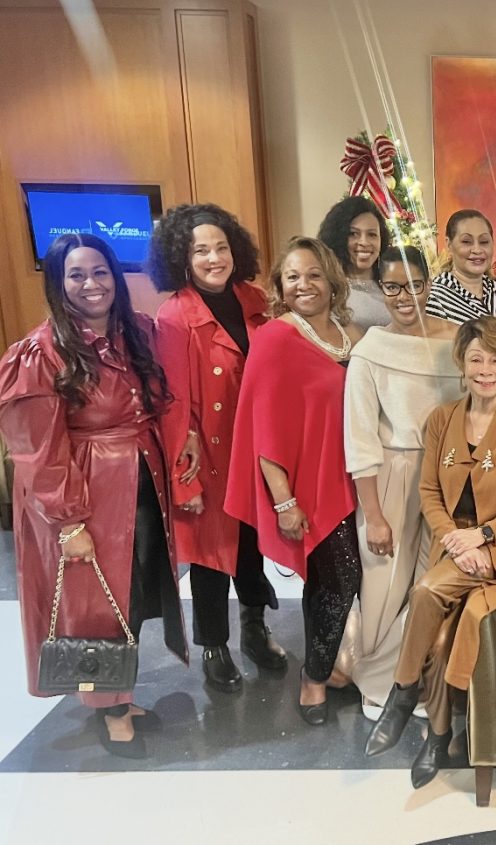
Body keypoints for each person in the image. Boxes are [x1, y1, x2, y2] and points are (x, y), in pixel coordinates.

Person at [0, 234, 186, 758]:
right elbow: (36, 450)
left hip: (138, 481)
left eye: (100, 272)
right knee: (95, 604)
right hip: (86, 489)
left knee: (130, 593)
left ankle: (120, 695)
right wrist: (69, 522)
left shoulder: (135, 333)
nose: (91, 284)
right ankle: (110, 710)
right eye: (76, 275)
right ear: (58, 283)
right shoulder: (41, 352)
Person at [364, 317, 496, 789]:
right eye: (476, 359)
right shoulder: (442, 419)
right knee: (441, 638)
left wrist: (481, 536)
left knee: (426, 592)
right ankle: (438, 735)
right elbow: (429, 492)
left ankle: (401, 693)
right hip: (455, 546)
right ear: (461, 364)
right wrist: (453, 539)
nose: (486, 370)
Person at [225, 236, 365, 726]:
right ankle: (314, 677)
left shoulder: (352, 334)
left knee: (336, 581)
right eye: (292, 277)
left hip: (359, 476)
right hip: (311, 484)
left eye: (313, 275)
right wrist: (284, 501)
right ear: (280, 286)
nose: (303, 285)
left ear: (332, 280)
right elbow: (262, 428)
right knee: (341, 577)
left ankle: (332, 665)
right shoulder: (275, 337)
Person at [148, 203, 284, 694]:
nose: (213, 258)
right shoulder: (174, 316)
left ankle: (255, 629)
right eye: (200, 250)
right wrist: (183, 483)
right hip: (207, 455)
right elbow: (172, 402)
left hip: (256, 447)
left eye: (221, 247)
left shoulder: (254, 299)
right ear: (182, 258)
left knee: (252, 547)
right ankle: (214, 647)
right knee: (210, 557)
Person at [335, 245, 462, 717]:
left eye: (414, 286)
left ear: (429, 284)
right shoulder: (370, 351)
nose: (405, 297)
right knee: (384, 584)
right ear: (380, 289)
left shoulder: (457, 341)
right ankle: (376, 686)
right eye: (392, 287)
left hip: (448, 471)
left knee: (432, 581)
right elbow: (360, 438)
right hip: (392, 472)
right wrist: (373, 515)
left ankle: (415, 678)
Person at [425, 209, 496, 396]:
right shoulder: (436, 296)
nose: (477, 250)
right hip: (468, 403)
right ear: (449, 244)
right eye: (466, 242)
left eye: (484, 242)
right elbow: (439, 366)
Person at [318, 195, 391, 327]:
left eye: (372, 234)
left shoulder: (393, 285)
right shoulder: (328, 289)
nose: (364, 242)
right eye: (353, 234)